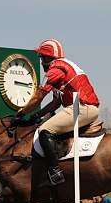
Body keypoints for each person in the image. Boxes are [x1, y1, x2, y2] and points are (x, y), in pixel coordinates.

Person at [16, 38, 100, 185]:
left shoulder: (55, 69)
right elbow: (55, 103)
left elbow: (39, 95)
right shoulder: (63, 67)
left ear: (49, 57)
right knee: (42, 124)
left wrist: (22, 113)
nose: (41, 61)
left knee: (44, 130)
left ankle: (55, 173)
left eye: (42, 57)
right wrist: (35, 115)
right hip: (80, 107)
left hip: (81, 107)